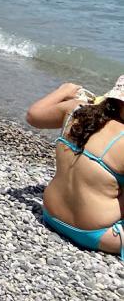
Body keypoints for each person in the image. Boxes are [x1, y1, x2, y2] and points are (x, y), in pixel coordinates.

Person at [25, 78, 124, 260]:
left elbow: (33, 116)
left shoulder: (76, 110)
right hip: (97, 233)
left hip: (51, 214)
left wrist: (64, 91)